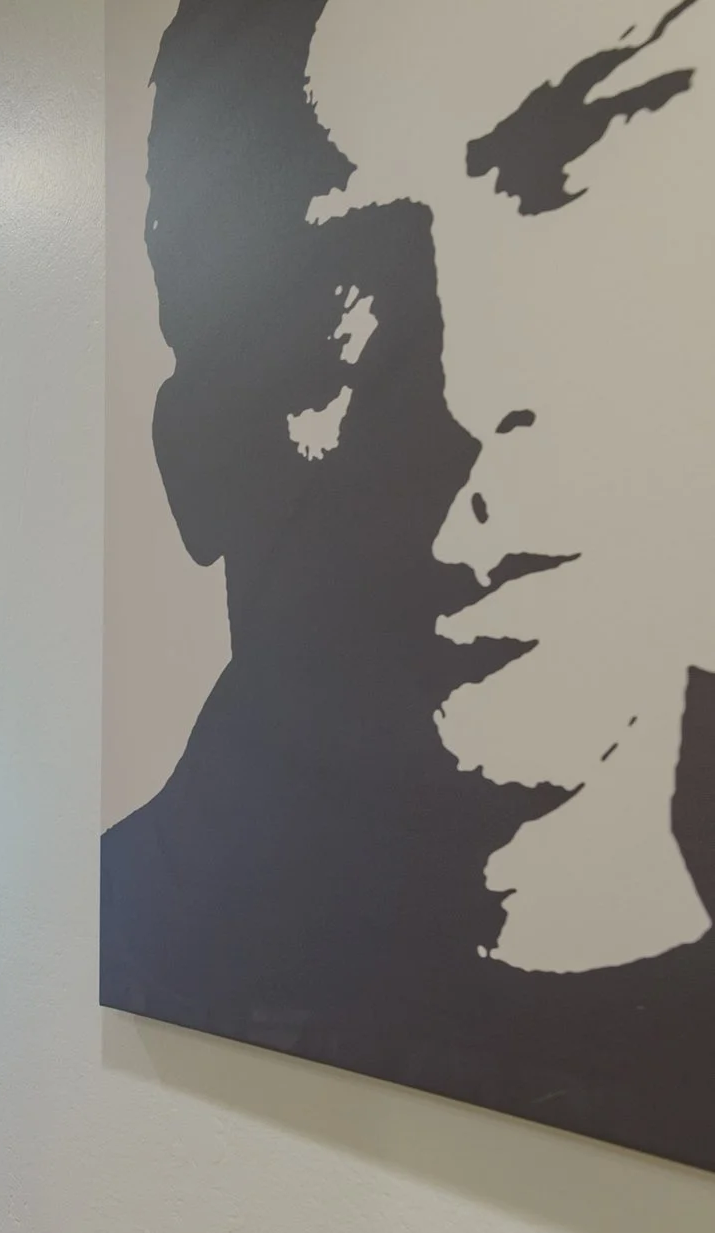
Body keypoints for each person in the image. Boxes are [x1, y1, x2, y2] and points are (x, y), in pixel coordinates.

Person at [103, 0, 715, 1169]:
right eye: (341, 287)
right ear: (194, 460)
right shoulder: (150, 936)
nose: (479, 391)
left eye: (565, 179)